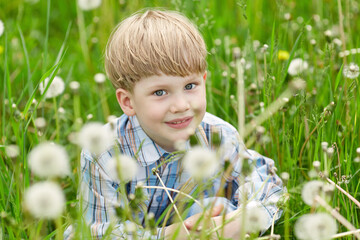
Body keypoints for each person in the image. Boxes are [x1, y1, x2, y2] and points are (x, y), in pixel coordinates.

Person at [69, 9, 284, 239]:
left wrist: (237, 221)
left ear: (203, 80)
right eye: (160, 92)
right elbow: (99, 232)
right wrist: (171, 235)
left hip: (209, 228)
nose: (181, 105)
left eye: (190, 86)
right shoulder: (105, 153)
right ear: (128, 101)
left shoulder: (218, 135)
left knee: (214, 205)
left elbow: (270, 192)